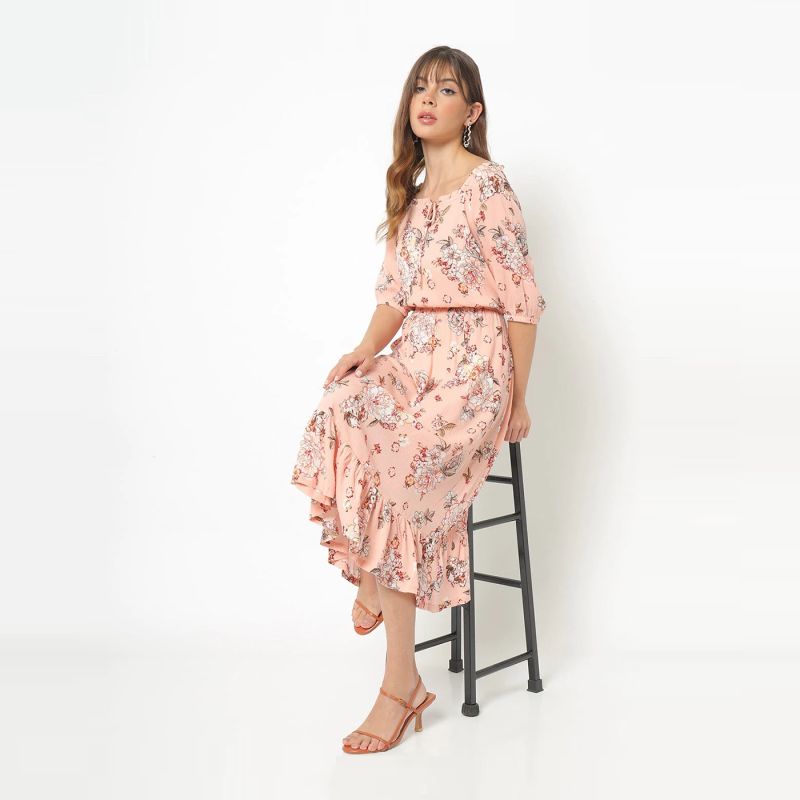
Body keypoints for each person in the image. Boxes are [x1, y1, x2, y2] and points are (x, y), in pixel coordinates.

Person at [290, 46, 546, 754]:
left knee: (400, 466)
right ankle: (375, 578)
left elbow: (522, 302)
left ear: (473, 112)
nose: (428, 99)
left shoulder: (490, 188)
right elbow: (395, 296)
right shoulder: (410, 192)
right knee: (342, 404)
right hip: (414, 354)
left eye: (447, 90)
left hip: (473, 368)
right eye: (420, 88)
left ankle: (399, 684)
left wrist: (518, 399)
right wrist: (364, 349)